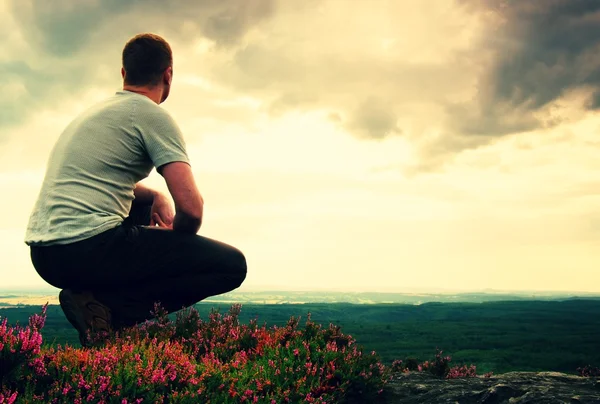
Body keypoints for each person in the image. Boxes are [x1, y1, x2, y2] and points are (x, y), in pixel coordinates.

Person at [24, 33, 247, 346]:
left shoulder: (93, 114)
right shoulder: (151, 115)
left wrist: (155, 196)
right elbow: (192, 209)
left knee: (141, 207)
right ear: (168, 74)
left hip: (46, 255)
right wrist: (175, 235)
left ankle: (94, 301)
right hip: (89, 248)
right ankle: (109, 311)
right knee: (231, 266)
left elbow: (99, 178)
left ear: (124, 73)